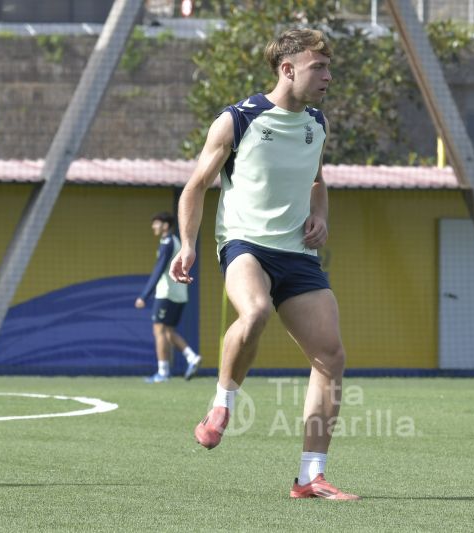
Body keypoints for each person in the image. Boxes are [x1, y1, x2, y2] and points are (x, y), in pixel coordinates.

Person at [170, 28, 358, 500]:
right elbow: (196, 185)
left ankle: (309, 478)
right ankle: (221, 404)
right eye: (320, 67)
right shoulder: (238, 120)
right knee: (254, 312)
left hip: (298, 254)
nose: (328, 77)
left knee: (331, 357)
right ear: (287, 69)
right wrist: (187, 244)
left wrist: (319, 215)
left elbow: (317, 179)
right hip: (245, 244)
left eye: (329, 68)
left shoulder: (317, 123)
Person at [136, 211, 202, 383]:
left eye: (156, 223)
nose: (153, 226)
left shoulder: (167, 242)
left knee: (159, 330)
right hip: (180, 294)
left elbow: (159, 270)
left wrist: (144, 295)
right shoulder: (174, 241)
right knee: (169, 331)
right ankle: (191, 357)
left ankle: (163, 372)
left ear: (165, 226)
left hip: (166, 293)